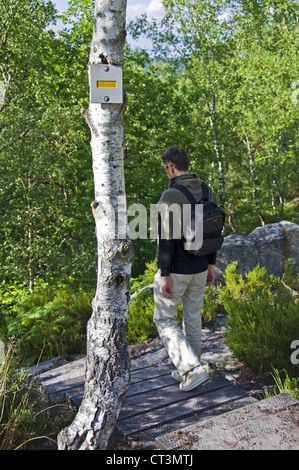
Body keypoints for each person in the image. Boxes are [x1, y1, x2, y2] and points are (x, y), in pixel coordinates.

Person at [153, 146, 217, 392]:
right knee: (192, 317)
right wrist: (211, 264)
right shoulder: (206, 190)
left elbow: (167, 240)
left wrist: (164, 274)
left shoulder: (170, 196)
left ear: (170, 167)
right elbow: (212, 230)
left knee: (164, 318)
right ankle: (194, 366)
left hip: (177, 269)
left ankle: (190, 368)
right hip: (201, 267)